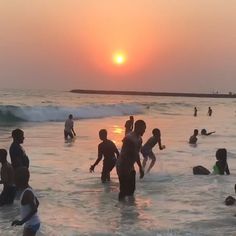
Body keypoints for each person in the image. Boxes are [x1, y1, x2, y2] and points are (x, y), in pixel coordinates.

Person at [116, 120, 145, 201]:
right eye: (143, 128)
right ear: (138, 127)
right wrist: (140, 167)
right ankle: (121, 208)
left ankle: (130, 210)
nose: (144, 131)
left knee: (131, 190)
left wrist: (139, 167)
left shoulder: (139, 139)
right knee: (124, 190)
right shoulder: (129, 138)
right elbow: (135, 154)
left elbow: (137, 153)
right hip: (122, 166)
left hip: (130, 166)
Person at [12, 167, 40, 236]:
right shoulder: (29, 189)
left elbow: (34, 209)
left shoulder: (27, 193)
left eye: (15, 180)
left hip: (31, 224)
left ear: (20, 181)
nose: (14, 182)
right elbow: (37, 202)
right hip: (32, 222)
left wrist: (22, 222)